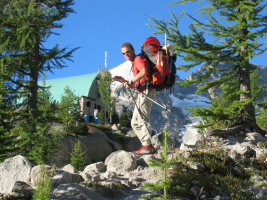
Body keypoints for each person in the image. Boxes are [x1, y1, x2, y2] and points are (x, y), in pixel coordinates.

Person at [121, 42, 157, 154]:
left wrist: (131, 81)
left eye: (128, 51)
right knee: (135, 122)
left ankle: (148, 146)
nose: (126, 54)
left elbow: (144, 71)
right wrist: (131, 84)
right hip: (143, 91)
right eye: (123, 53)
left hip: (147, 91)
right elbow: (142, 78)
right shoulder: (135, 62)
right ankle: (147, 145)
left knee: (142, 118)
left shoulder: (138, 59)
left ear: (132, 50)